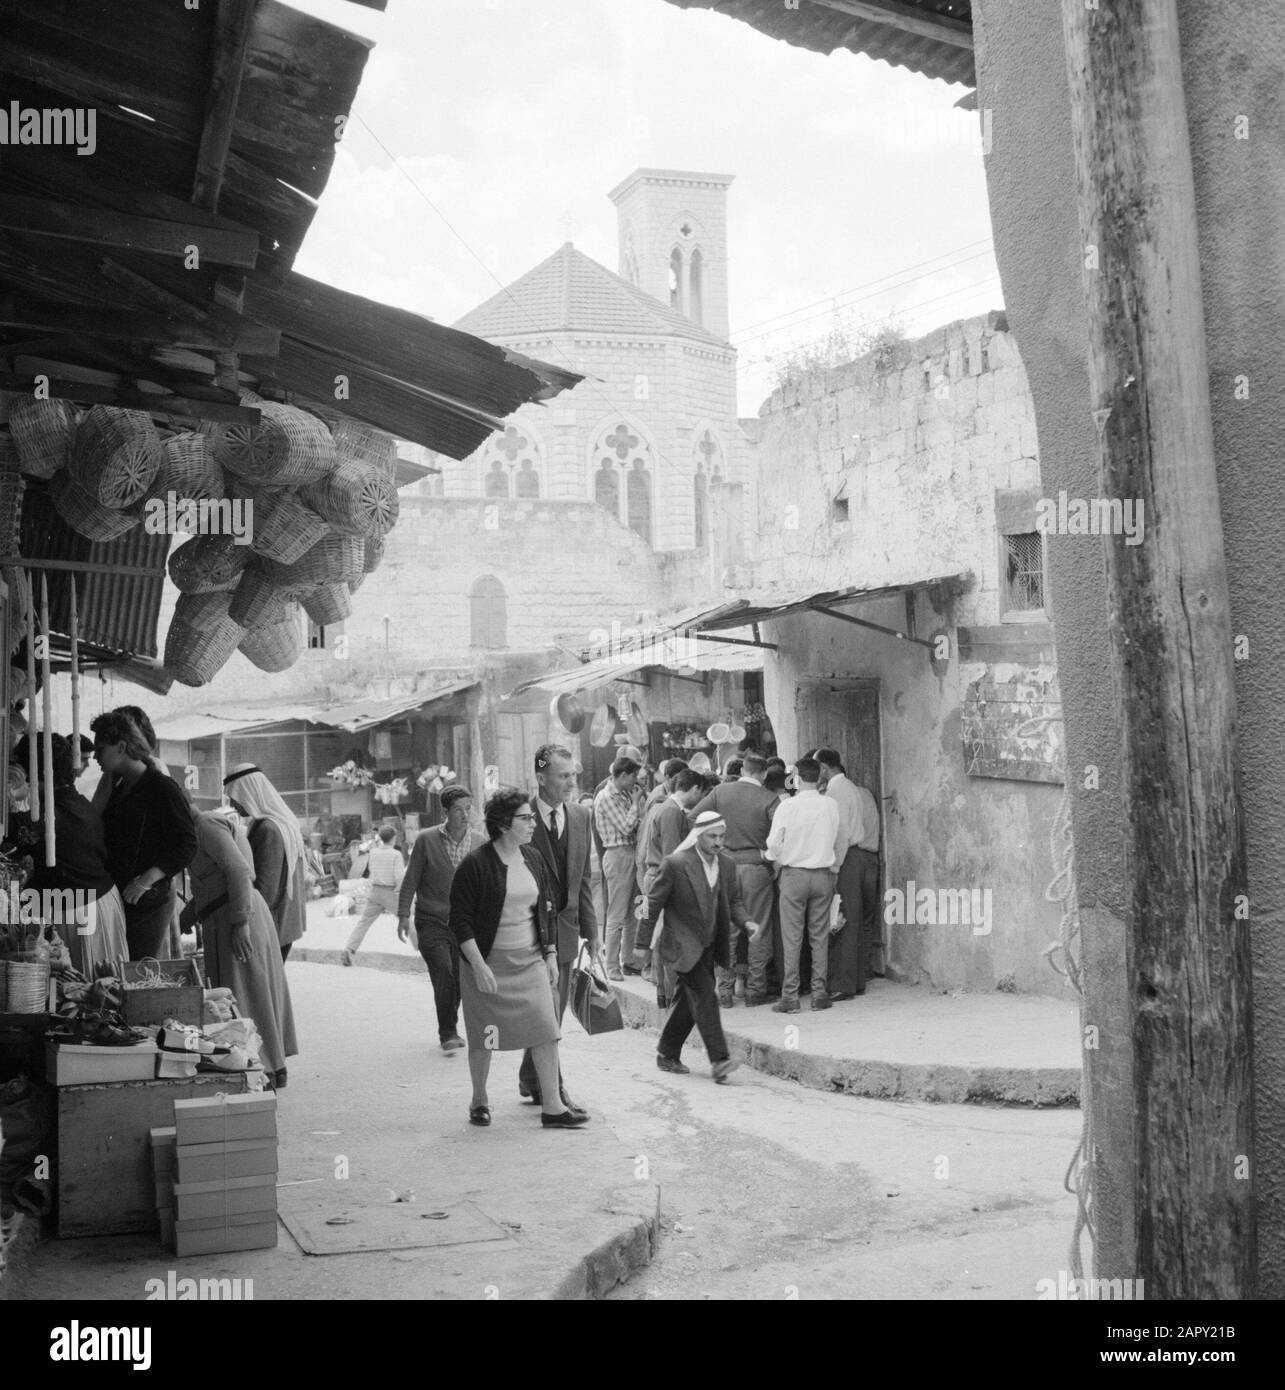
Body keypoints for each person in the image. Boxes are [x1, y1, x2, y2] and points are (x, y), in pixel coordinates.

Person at [449, 787, 588, 1128]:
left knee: (546, 1028)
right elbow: (460, 921)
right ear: (503, 824)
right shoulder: (476, 865)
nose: (532, 825)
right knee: (486, 1035)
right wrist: (478, 965)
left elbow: (548, 911)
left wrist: (552, 955)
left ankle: (553, 1107)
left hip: (530, 963)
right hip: (488, 966)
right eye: (525, 818)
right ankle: (479, 1099)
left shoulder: (533, 859)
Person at [641, 811, 762, 1083]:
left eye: (722, 836)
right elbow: (651, 903)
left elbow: (734, 902)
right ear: (698, 836)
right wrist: (641, 943)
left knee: (689, 1000)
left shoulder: (728, 865)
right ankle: (719, 1061)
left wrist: (748, 923)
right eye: (712, 836)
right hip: (681, 944)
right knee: (707, 996)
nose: (718, 842)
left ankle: (667, 1052)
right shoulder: (675, 864)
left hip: (708, 945)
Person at [187, 808, 297, 1087]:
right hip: (231, 913)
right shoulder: (202, 826)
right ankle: (271, 1065)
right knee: (253, 992)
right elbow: (213, 881)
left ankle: (264, 1069)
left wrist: (240, 922)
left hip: (237, 915)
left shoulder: (206, 825)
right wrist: (185, 918)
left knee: (246, 995)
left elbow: (238, 870)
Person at [519, 746, 599, 1111]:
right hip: (527, 931)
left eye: (573, 775)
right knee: (545, 1011)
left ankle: (532, 1077)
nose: (571, 782)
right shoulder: (521, 817)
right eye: (563, 776)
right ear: (541, 778)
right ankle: (555, 1090)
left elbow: (582, 877)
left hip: (565, 930)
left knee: (554, 1010)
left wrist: (592, 931)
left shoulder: (582, 815)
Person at [90, 711, 197, 960]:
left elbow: (187, 843)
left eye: (100, 748)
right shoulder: (119, 785)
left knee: (140, 970)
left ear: (121, 747)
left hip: (148, 902)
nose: (96, 756)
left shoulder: (161, 787)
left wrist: (148, 878)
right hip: (120, 898)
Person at [27, 732, 127, 975]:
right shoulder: (75, 802)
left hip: (79, 911)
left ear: (37, 774)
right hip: (93, 903)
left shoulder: (50, 814)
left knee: (88, 993)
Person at [396, 786, 484, 1052]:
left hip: (464, 925)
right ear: (445, 812)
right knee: (443, 972)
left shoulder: (479, 841)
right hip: (431, 921)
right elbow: (411, 879)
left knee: (457, 978)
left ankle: (451, 1027)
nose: (464, 815)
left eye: (468, 809)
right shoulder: (426, 840)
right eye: (458, 810)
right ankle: (447, 1032)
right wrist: (403, 915)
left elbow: (486, 883)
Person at [694, 751, 781, 1007]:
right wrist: (765, 853)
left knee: (728, 931)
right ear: (764, 774)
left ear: (743, 770)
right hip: (756, 868)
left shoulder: (721, 792)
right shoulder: (771, 799)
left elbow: (692, 818)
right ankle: (756, 990)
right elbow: (781, 836)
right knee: (758, 928)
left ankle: (725, 992)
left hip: (725, 866)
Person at [764, 755, 845, 1013]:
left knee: (792, 937)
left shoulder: (786, 806)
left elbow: (774, 843)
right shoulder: (830, 805)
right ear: (820, 776)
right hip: (822, 874)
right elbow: (837, 837)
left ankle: (791, 996)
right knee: (819, 936)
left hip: (794, 875)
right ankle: (819, 993)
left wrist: (770, 857)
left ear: (795, 777)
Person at [222, 764, 307, 962]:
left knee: (264, 989)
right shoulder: (285, 821)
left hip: (272, 925)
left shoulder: (268, 829)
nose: (233, 805)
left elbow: (265, 890)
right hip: (285, 924)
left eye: (234, 798)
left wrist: (242, 922)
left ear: (248, 794)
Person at [815, 748, 882, 1000]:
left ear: (823, 768)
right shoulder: (849, 787)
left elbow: (841, 833)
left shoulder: (837, 791)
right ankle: (854, 982)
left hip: (847, 858)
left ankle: (843, 984)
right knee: (851, 918)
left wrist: (834, 867)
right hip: (856, 857)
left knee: (841, 919)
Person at [639, 767, 706, 1004]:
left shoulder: (666, 808)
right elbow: (671, 854)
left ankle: (665, 992)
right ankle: (670, 992)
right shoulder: (671, 812)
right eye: (701, 792)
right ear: (695, 788)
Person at [593, 755, 643, 981]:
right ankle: (612, 964)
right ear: (623, 775)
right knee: (616, 913)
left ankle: (629, 959)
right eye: (633, 776)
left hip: (631, 853)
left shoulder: (623, 794)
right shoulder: (606, 797)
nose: (636, 780)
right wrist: (635, 804)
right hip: (617, 854)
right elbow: (626, 827)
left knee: (634, 911)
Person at [342, 825, 403, 966]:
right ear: (393, 839)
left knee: (363, 922)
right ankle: (424, 950)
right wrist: (399, 892)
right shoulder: (396, 855)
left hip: (375, 892)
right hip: (389, 892)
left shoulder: (373, 852)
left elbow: (371, 871)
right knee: (407, 920)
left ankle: (349, 949)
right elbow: (399, 877)